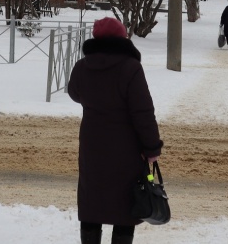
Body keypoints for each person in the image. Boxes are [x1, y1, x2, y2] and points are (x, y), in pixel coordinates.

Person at [67, 17, 163, 244]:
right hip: (127, 150)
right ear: (122, 37)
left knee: (92, 203)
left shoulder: (83, 66)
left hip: (92, 147)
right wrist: (151, 147)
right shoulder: (130, 68)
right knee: (125, 209)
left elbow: (74, 93)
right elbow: (143, 112)